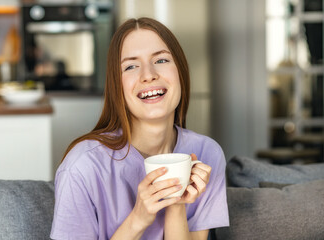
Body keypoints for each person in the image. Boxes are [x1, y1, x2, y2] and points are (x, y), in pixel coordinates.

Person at [50, 17, 229, 240]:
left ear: (181, 71)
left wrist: (176, 204)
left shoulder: (207, 153)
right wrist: (139, 218)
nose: (148, 75)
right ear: (117, 85)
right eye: (131, 66)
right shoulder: (82, 167)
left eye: (161, 60)